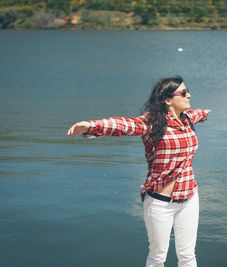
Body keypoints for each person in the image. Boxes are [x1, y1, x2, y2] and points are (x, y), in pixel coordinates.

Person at [67, 76, 210, 267]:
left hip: (190, 197)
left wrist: (206, 112)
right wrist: (92, 125)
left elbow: (199, 113)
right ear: (168, 100)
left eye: (187, 91)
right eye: (183, 93)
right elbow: (124, 125)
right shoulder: (152, 123)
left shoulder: (187, 119)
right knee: (157, 258)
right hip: (160, 203)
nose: (189, 95)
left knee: (188, 257)